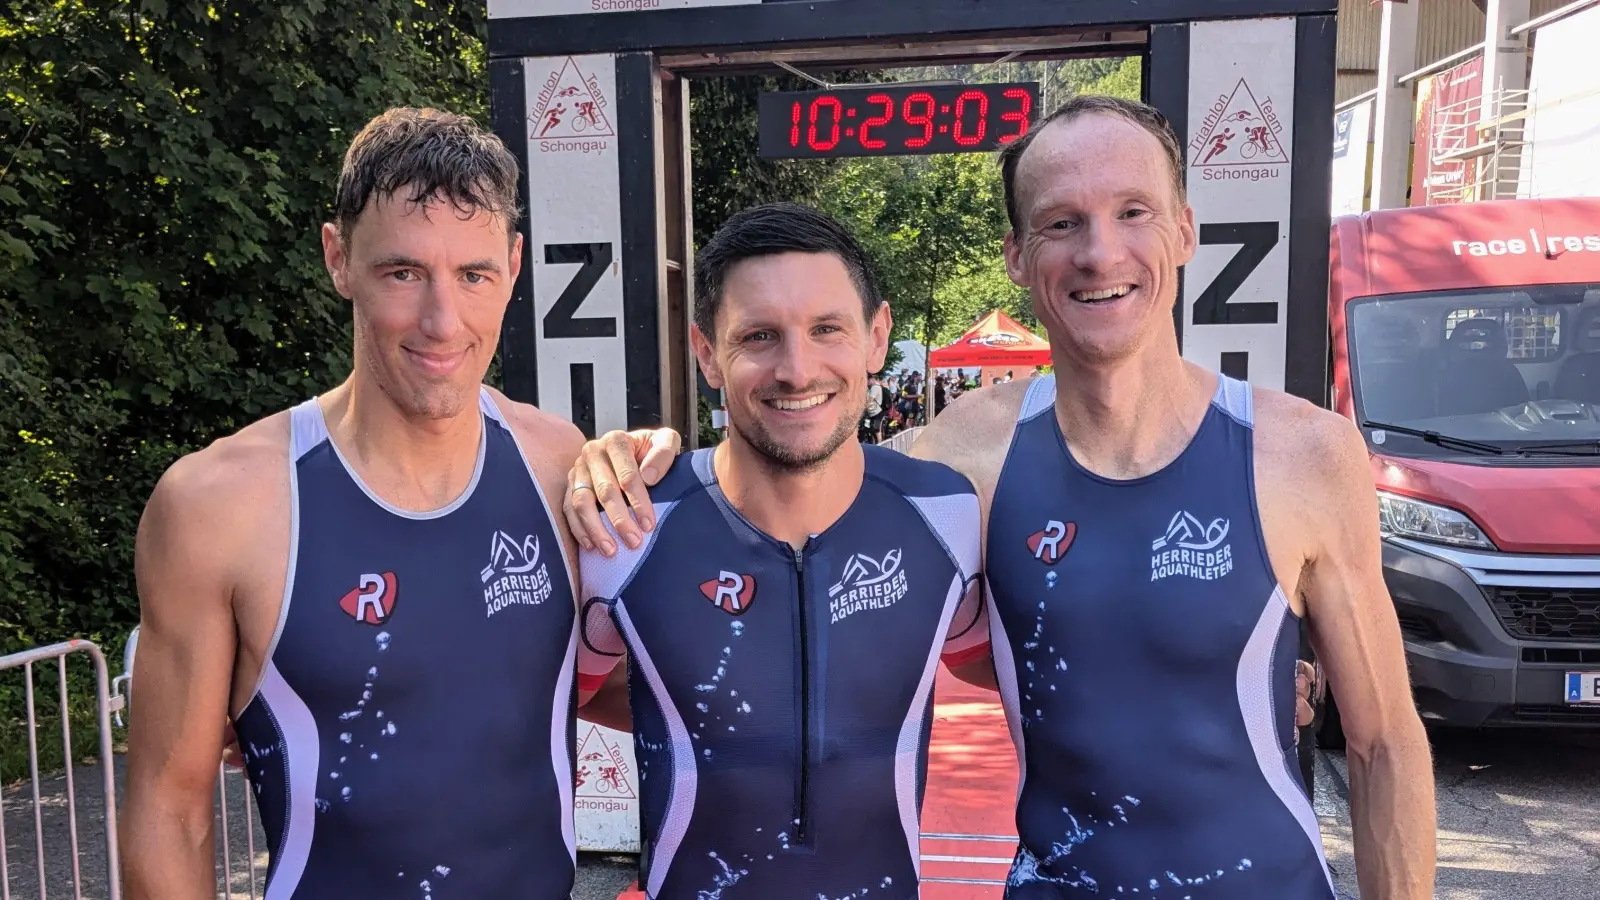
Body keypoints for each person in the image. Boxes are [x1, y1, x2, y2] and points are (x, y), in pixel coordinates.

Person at [565, 95, 1434, 899]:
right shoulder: (964, 461)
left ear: (1184, 229)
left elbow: (1385, 742)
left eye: (1133, 211)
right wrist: (627, 456)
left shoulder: (1304, 453)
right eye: (1062, 222)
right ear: (1017, 255)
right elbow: (795, 474)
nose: (1100, 253)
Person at [119, 107, 675, 899]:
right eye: (404, 273)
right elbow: (168, 810)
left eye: (473, 275)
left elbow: (612, 692)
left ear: (514, 266)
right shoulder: (221, 504)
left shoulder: (559, 463)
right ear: (338, 258)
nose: (442, 322)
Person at [568, 202, 989, 900]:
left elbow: (1037, 682)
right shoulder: (629, 526)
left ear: (876, 337)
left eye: (827, 329)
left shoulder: (949, 515)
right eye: (759, 336)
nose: (796, 370)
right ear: (707, 353)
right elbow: (540, 703)